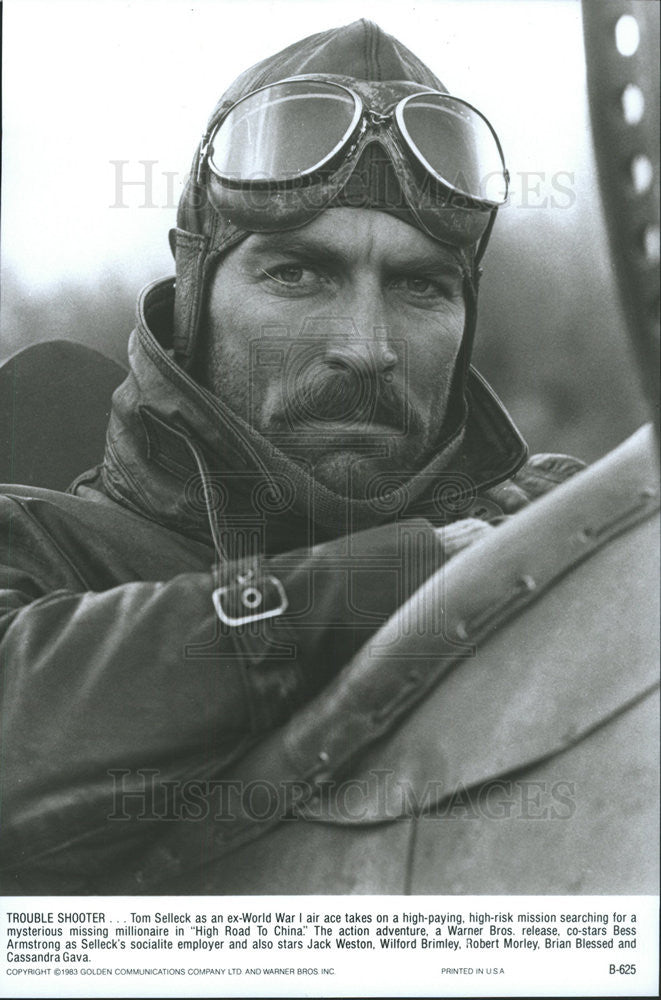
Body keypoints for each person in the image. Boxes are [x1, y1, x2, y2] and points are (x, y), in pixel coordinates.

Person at [0, 19, 589, 894]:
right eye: (298, 275)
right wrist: (392, 579)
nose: (366, 347)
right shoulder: (42, 546)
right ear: (195, 295)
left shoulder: (568, 525)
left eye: (420, 285)